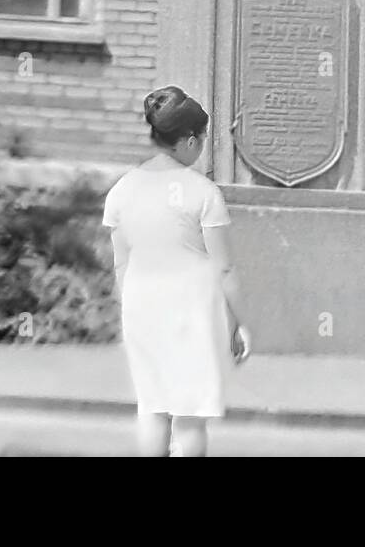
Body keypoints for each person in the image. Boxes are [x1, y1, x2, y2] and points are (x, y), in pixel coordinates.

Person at [102, 87, 252, 457]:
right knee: (189, 415)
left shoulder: (122, 190)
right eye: (200, 139)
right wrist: (236, 324)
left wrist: (132, 309)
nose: (201, 147)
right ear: (187, 141)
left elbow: (121, 262)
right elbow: (224, 266)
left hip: (141, 305)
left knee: (153, 408)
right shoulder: (202, 193)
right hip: (190, 310)